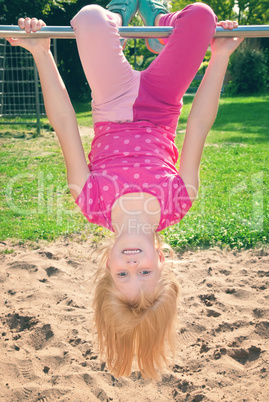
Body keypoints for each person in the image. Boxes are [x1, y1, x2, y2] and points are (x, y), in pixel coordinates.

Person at [7, 0, 243, 379]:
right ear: (162, 264)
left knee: (89, 18)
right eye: (145, 273)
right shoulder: (178, 201)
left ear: (108, 268)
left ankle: (118, 15)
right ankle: (155, 23)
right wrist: (219, 58)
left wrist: (41, 53)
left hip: (112, 99)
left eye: (123, 277)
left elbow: (65, 124)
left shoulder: (90, 200)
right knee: (201, 17)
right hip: (163, 104)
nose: (133, 266)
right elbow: (198, 125)